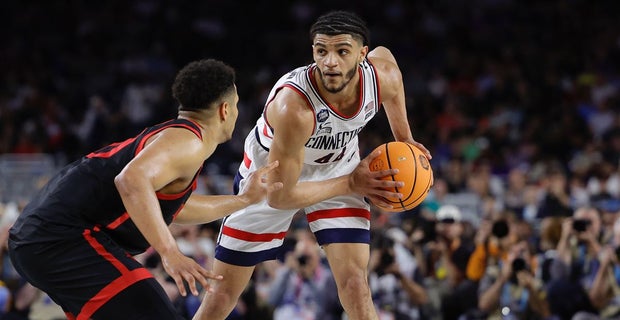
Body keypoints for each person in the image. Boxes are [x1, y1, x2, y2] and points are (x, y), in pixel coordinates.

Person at [194, 10, 431, 320]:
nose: (329, 61)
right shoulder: (295, 107)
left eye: (341, 51)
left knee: (356, 285)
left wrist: (406, 139)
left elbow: (390, 71)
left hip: (339, 167)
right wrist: (351, 183)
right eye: (321, 51)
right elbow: (280, 196)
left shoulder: (382, 76)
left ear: (361, 54)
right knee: (222, 296)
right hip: (271, 178)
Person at [7, 59, 287, 320]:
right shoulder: (188, 142)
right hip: (62, 239)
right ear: (225, 110)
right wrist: (170, 252)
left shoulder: (176, 139)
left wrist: (244, 199)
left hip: (42, 240)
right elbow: (131, 181)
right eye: (236, 104)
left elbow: (173, 208)